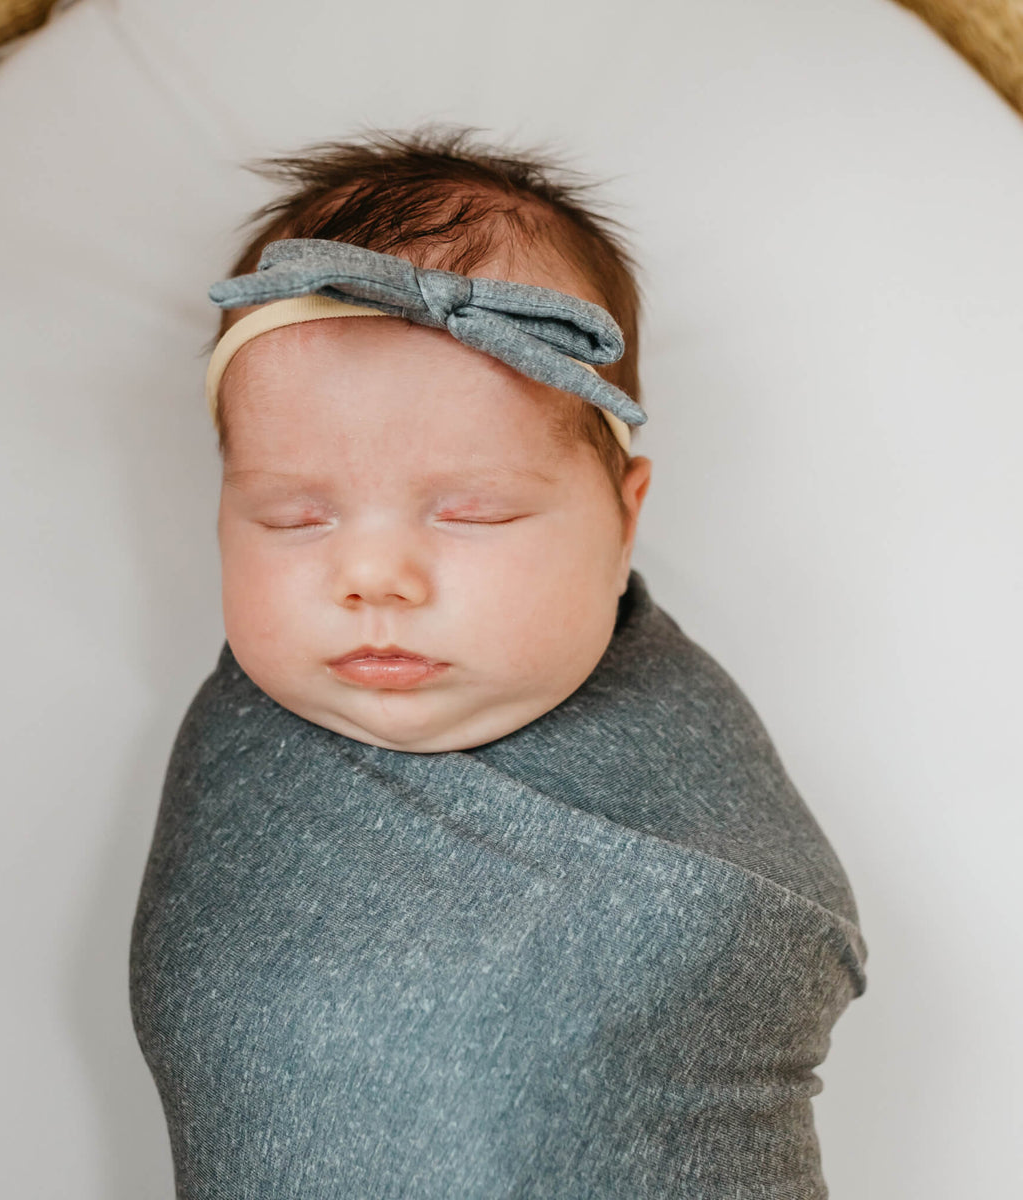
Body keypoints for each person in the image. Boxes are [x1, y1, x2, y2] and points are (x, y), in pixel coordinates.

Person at [130, 123, 868, 1199]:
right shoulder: (247, 749)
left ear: (625, 520)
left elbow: (748, 933)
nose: (373, 577)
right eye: (293, 518)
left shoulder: (696, 812)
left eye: (471, 513)